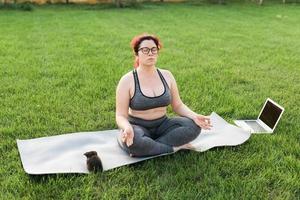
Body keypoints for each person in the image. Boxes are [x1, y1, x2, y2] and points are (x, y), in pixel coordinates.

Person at [115, 33, 212, 157]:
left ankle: (150, 147)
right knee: (134, 141)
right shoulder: (127, 80)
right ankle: (174, 148)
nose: (150, 53)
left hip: (163, 125)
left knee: (193, 127)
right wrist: (127, 127)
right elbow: (120, 115)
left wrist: (194, 116)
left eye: (154, 49)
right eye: (145, 50)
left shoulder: (167, 75)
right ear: (136, 54)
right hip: (138, 126)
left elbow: (177, 105)